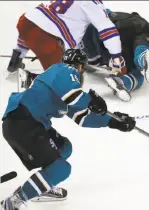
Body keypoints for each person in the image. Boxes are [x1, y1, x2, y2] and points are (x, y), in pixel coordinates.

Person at [1, 49, 136, 210]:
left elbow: (83, 117)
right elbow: (76, 96)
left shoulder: (62, 87)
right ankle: (13, 203)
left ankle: (40, 187)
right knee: (62, 169)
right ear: (79, 67)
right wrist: (91, 101)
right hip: (24, 122)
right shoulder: (64, 70)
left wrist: (113, 121)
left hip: (22, 123)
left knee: (64, 147)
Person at [6, 0, 125, 89]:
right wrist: (116, 58)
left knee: (32, 27)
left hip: (26, 21)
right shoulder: (92, 3)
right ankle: (30, 79)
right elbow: (108, 31)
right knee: (68, 85)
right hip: (48, 39)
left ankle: (17, 57)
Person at [80, 11, 149, 102]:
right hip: (135, 25)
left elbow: (92, 61)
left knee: (134, 65)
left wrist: (91, 63)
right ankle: (139, 64)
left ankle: (124, 81)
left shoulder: (82, 36)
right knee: (140, 54)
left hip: (116, 33)